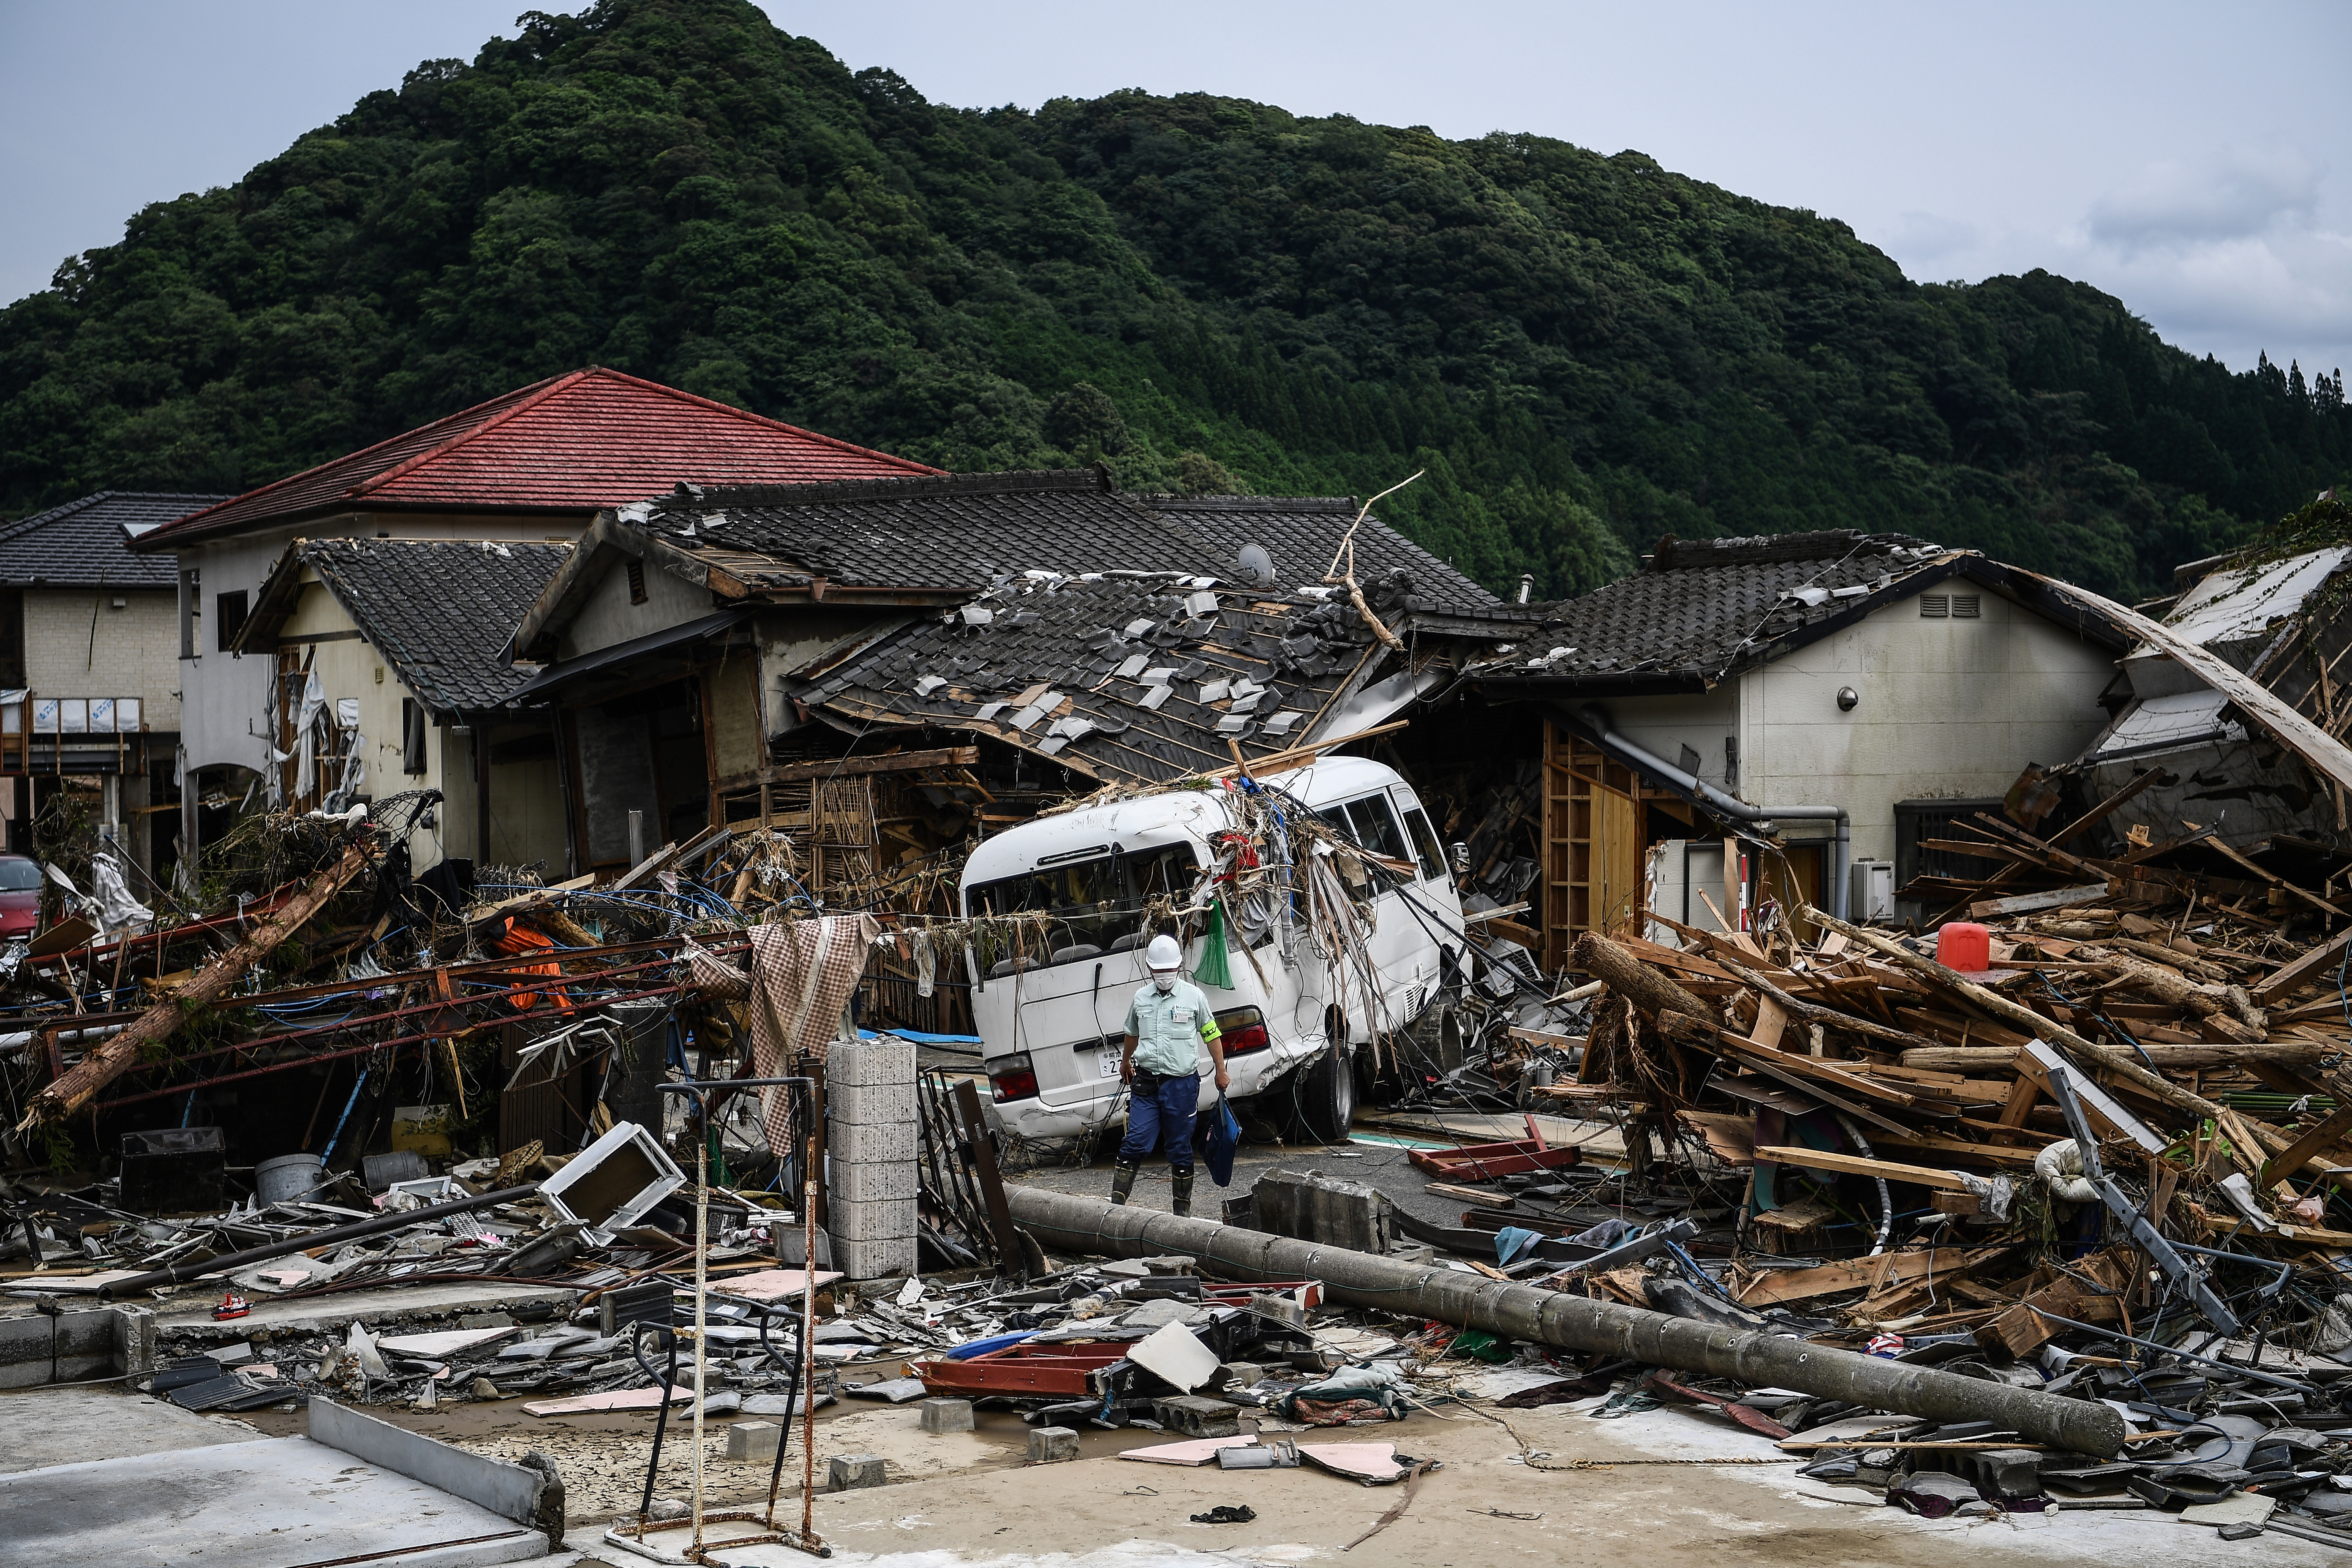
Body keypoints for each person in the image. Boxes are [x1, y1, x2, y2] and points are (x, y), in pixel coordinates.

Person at [1112, 933, 1228, 1217]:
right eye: (1159, 970)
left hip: (1181, 1085)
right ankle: (1114, 1208)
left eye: (1169, 970)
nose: (1164, 975)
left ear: (1178, 966)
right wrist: (1126, 1062)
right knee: (1136, 1140)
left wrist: (1221, 1070)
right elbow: (1131, 1033)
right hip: (1147, 1083)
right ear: (1151, 969)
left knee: (1179, 1148)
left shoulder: (1194, 997)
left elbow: (1211, 1034)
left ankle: (1181, 1214)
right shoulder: (1141, 998)